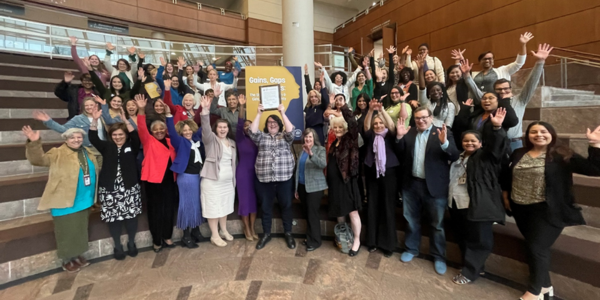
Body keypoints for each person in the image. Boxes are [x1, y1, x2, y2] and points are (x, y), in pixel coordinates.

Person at [501, 122, 600, 300]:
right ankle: (546, 287)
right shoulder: (519, 153)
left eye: (543, 131)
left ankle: (534, 291)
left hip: (548, 210)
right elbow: (509, 176)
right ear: (528, 135)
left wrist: (595, 145)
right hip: (521, 209)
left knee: (537, 247)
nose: (538, 135)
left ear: (551, 134)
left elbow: (594, 169)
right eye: (533, 132)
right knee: (535, 248)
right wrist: (506, 195)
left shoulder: (561, 154)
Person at [394, 107, 460, 275]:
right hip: (411, 185)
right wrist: (399, 137)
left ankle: (439, 256)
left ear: (431, 118)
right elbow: (400, 155)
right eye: (417, 118)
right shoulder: (409, 132)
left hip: (434, 187)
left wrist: (444, 143)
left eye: (424, 117)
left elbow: (454, 155)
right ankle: (411, 248)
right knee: (410, 219)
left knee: (437, 224)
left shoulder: (442, 132)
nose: (421, 120)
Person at [23, 126, 98, 273]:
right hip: (65, 200)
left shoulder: (87, 152)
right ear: (66, 139)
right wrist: (34, 143)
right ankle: (66, 259)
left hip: (84, 199)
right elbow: (38, 160)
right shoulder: (57, 153)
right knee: (66, 230)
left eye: (79, 137)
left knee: (79, 229)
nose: (76, 140)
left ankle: (76, 256)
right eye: (72, 137)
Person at [448, 109, 508, 285]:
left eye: (473, 141)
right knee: (463, 238)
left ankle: (470, 272)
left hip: (477, 205)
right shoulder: (459, 158)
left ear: (481, 143)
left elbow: (497, 147)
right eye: (466, 140)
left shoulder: (485, 157)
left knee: (479, 240)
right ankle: (472, 266)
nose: (469, 143)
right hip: (456, 204)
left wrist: (497, 128)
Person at [461, 44, 552, 151]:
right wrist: (467, 75)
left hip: (514, 142)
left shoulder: (520, 100)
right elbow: (475, 90)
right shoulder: (492, 101)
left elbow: (531, 84)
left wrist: (540, 62)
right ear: (494, 90)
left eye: (506, 88)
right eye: (499, 89)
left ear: (511, 88)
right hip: (496, 143)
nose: (503, 91)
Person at [89, 113, 142, 260]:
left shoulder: (132, 146)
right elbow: (93, 138)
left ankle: (132, 243)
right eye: (114, 135)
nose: (118, 137)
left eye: (121, 134)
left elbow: (136, 136)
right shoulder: (107, 147)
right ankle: (117, 246)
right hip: (110, 189)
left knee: (131, 217)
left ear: (125, 135)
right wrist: (94, 120)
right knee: (114, 219)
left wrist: (126, 121)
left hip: (130, 188)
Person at [134, 95, 177, 253]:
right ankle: (156, 240)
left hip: (169, 181)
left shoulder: (170, 141)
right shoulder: (148, 141)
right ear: (151, 132)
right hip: (153, 181)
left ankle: (167, 236)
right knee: (155, 211)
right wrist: (141, 109)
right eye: (156, 130)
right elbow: (141, 127)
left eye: (161, 129)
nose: (159, 131)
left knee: (169, 209)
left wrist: (168, 115)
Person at [250, 104, 296, 250]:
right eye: (269, 123)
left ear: (279, 125)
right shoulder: (261, 138)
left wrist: (282, 113)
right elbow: (252, 132)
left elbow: (291, 131)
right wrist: (258, 114)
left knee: (287, 206)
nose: (272, 125)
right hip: (264, 180)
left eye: (275, 123)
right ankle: (266, 234)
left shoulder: (285, 137)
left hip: (284, 179)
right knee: (266, 208)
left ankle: (288, 233)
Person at [362, 100, 400, 257]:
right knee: (372, 206)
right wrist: (371, 111)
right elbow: (365, 126)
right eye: (376, 123)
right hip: (372, 174)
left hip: (389, 174)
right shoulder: (371, 135)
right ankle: (372, 241)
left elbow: (391, 125)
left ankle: (388, 244)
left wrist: (382, 110)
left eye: (380, 123)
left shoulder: (389, 135)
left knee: (388, 208)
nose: (378, 125)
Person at [199, 96, 237, 247]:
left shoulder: (232, 143)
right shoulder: (211, 140)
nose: (222, 129)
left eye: (225, 127)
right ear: (216, 129)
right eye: (220, 127)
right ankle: (214, 235)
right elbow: (206, 127)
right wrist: (205, 110)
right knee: (213, 207)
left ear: (228, 129)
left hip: (227, 182)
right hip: (212, 182)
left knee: (225, 206)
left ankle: (223, 230)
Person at [165, 110, 205, 249]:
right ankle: (186, 236)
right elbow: (171, 131)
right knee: (188, 206)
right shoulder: (180, 142)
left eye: (189, 129)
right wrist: (169, 117)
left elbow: (204, 125)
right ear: (181, 132)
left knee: (196, 204)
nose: (187, 132)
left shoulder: (197, 139)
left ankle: (195, 231)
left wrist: (206, 109)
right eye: (185, 130)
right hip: (186, 178)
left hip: (198, 176)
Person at [327, 106, 362, 256]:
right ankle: (344, 236)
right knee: (339, 211)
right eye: (335, 127)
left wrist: (343, 107)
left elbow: (353, 124)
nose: (338, 129)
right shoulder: (334, 144)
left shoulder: (350, 139)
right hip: (335, 184)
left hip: (347, 182)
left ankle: (356, 240)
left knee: (352, 212)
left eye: (340, 126)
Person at [33, 98, 105, 162]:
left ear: (96, 105)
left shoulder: (102, 117)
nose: (89, 107)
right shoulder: (78, 119)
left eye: (91, 105)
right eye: (86, 105)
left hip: (102, 149)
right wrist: (49, 121)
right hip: (88, 150)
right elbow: (63, 129)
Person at [295, 128, 327, 251]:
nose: (308, 139)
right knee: (307, 214)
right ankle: (310, 237)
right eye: (306, 137)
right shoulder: (301, 151)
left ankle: (316, 241)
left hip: (315, 188)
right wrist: (296, 188)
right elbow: (298, 170)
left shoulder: (320, 150)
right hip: (303, 187)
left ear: (314, 138)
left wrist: (311, 154)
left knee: (312, 214)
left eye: (310, 137)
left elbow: (323, 164)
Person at [235, 96, 259, 241]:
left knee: (254, 202)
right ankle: (246, 228)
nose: (246, 127)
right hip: (243, 173)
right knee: (244, 201)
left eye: (249, 125)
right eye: (245, 126)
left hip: (255, 174)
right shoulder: (240, 138)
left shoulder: (257, 139)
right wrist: (242, 106)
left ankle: (253, 227)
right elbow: (238, 124)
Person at [305, 80, 330, 146]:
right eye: (311, 97)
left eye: (315, 96)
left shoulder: (321, 107)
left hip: (318, 131)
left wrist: (323, 83)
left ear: (318, 98)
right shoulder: (308, 108)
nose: (313, 98)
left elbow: (326, 100)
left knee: (319, 151)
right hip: (309, 133)